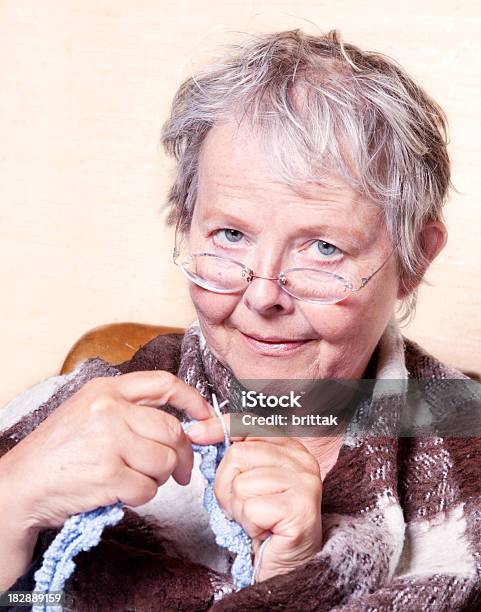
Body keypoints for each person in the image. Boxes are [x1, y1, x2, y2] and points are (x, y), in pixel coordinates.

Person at [1, 29, 480, 611]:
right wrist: (9, 503)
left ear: (414, 260)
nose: (263, 296)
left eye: (324, 248)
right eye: (231, 235)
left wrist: (293, 582)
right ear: (186, 224)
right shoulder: (67, 418)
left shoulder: (466, 448)